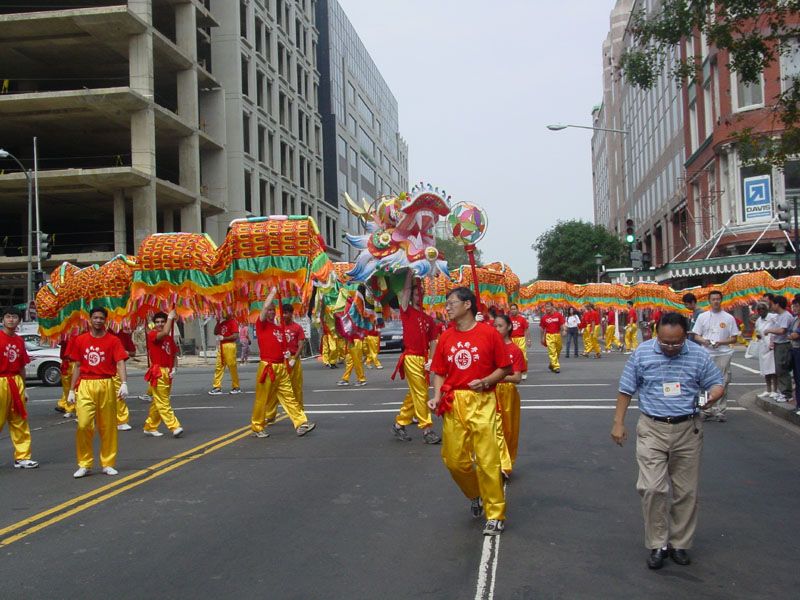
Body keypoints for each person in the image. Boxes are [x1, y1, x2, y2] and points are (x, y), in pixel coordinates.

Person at [611, 312, 724, 570]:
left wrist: (713, 395)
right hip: (652, 428)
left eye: (676, 343)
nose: (670, 347)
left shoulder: (698, 355)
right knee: (652, 488)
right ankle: (657, 543)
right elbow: (626, 388)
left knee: (686, 491)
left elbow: (716, 382)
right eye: (664, 342)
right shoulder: (642, 353)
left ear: (686, 336)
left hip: (687, 429)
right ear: (656, 334)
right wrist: (618, 422)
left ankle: (679, 543)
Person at [427, 286, 512, 536]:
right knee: (454, 461)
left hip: (482, 400)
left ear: (467, 305)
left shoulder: (489, 334)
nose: (447, 307)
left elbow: (505, 368)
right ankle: (474, 493)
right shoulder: (446, 337)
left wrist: (486, 381)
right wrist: (436, 397)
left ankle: (495, 513)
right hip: (454, 402)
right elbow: (439, 371)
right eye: (446, 303)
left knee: (487, 460)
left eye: (451, 303)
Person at [68, 306, 129, 478]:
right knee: (83, 424)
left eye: (101, 318)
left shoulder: (113, 340)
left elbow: (120, 362)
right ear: (89, 320)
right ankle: (84, 463)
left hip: (106, 384)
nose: (98, 321)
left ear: (105, 320)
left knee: (108, 426)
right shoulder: (80, 340)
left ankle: (108, 463)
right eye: (95, 318)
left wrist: (124, 383)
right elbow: (77, 366)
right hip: (86, 384)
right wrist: (71, 390)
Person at [251, 288, 315, 438]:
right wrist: (273, 294)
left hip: (281, 367)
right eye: (270, 310)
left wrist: (286, 354)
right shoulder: (261, 325)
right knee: (262, 399)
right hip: (268, 367)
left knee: (289, 396)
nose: (272, 312)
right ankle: (257, 427)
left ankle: (300, 423)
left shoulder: (278, 328)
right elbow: (264, 307)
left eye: (274, 310)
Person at [391, 269, 441, 444]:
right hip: (411, 357)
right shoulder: (407, 311)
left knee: (415, 393)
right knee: (421, 392)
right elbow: (405, 292)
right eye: (416, 294)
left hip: (423, 358)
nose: (419, 296)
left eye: (420, 294)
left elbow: (433, 341)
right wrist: (410, 273)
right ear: (411, 296)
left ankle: (399, 424)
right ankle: (427, 429)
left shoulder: (429, 319)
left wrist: (431, 360)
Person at [0, 306, 39, 469]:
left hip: (15, 381)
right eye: (8, 317)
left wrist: (24, 388)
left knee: (19, 420)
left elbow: (22, 366)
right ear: (3, 320)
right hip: (1, 380)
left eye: (14, 317)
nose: (11, 320)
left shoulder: (19, 340)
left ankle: (22, 456)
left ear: (19, 321)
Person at [690, 291, 738, 422]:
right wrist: (704, 341)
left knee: (723, 382)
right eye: (713, 299)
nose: (716, 301)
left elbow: (734, 338)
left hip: (723, 353)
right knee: (702, 382)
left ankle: (720, 410)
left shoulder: (729, 318)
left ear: (721, 300)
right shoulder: (703, 317)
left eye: (718, 299)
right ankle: (705, 409)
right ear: (709, 301)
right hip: (706, 353)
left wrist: (721, 342)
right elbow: (696, 335)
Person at [493, 314, 525, 477]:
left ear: (509, 327)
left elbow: (517, 378)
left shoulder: (515, 350)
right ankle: (499, 464)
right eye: (495, 326)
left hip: (508, 392)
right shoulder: (490, 348)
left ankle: (507, 464)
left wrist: (498, 376)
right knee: (494, 428)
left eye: (500, 326)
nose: (497, 329)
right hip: (491, 391)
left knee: (509, 430)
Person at [142, 311, 183, 438]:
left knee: (158, 401)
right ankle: (174, 426)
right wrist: (170, 317)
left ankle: (150, 426)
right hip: (158, 371)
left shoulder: (169, 338)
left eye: (162, 322)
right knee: (163, 401)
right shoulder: (153, 335)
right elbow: (164, 332)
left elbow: (174, 354)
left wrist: (174, 368)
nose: (159, 324)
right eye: (157, 322)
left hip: (167, 371)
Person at [763, 295, 795, 403]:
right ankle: (783, 392)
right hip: (778, 344)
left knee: (783, 369)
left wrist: (769, 330)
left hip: (784, 344)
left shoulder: (785, 316)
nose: (771, 306)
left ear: (777, 304)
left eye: (772, 304)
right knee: (779, 369)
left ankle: (787, 394)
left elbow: (782, 330)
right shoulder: (779, 316)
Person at [107, 326, 136, 431]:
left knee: (119, 394)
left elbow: (133, 352)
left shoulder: (123, 334)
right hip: (100, 368)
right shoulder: (102, 333)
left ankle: (121, 420)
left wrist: (125, 352)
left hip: (116, 368)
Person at [280, 304, 306, 410]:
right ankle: (273, 412)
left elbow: (301, 344)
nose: (284, 316)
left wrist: (294, 359)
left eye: (286, 313)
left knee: (296, 386)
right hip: (281, 360)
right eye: (282, 313)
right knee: (280, 386)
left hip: (293, 360)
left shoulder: (297, 328)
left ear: (291, 314)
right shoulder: (279, 328)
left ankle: (299, 409)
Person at [209, 314, 242, 395]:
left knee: (232, 366)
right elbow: (215, 332)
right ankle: (217, 386)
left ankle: (236, 386)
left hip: (229, 345)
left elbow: (235, 336)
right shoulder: (222, 323)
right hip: (221, 346)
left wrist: (224, 338)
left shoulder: (233, 322)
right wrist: (217, 322)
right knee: (219, 366)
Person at [752, 302, 777, 400]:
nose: (761, 311)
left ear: (767, 309)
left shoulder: (772, 317)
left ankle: (775, 390)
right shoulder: (758, 320)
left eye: (763, 308)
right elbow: (758, 331)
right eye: (759, 309)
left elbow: (777, 328)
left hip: (771, 346)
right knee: (765, 369)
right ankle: (768, 389)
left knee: (773, 369)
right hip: (763, 346)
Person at [56, 333, 77, 418]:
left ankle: (78, 410)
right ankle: (69, 409)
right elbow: (58, 342)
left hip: (76, 363)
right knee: (66, 388)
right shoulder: (64, 332)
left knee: (77, 387)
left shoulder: (80, 332)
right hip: (66, 363)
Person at [540, 302, 565, 373]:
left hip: (557, 335)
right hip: (549, 336)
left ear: (552, 307)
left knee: (558, 350)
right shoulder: (544, 317)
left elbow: (563, 323)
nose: (547, 308)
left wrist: (565, 330)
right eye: (546, 307)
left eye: (548, 307)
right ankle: (556, 367)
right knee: (552, 351)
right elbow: (542, 328)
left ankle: (551, 364)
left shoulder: (558, 315)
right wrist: (542, 338)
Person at [508, 303, 530, 380]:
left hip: (521, 339)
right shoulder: (508, 319)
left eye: (514, 309)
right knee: (511, 357)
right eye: (511, 309)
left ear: (517, 310)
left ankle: (524, 372)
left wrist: (528, 340)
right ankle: (513, 372)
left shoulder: (522, 319)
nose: (513, 311)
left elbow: (526, 330)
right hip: (511, 339)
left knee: (523, 357)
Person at [789, 297, 800, 415]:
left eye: (797, 306)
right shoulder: (794, 320)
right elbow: (790, 333)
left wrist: (792, 335)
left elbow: (795, 335)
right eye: (794, 306)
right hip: (794, 350)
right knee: (796, 379)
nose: (795, 308)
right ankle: (798, 405)